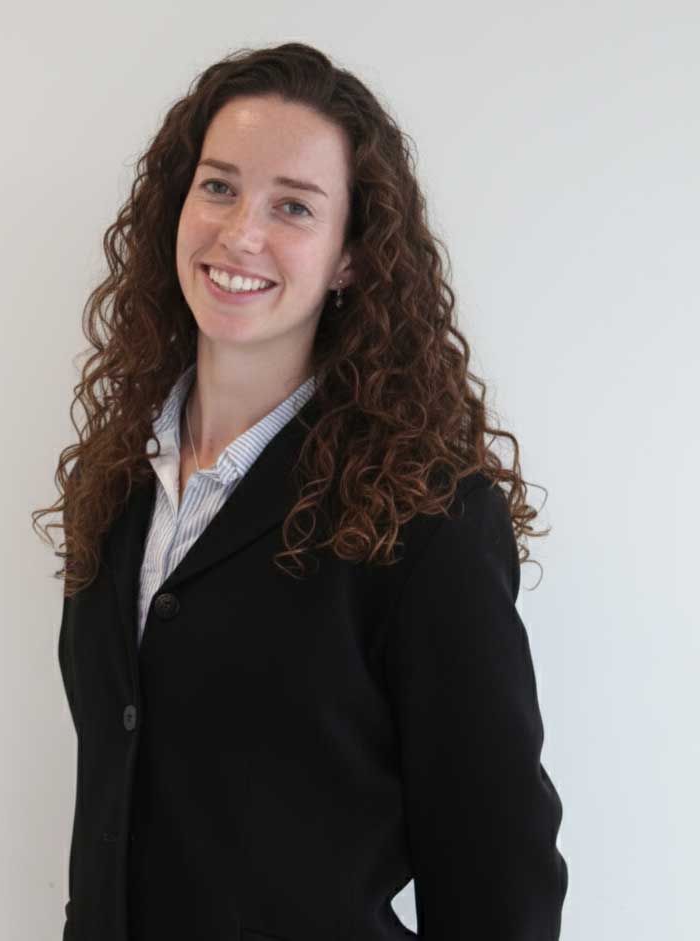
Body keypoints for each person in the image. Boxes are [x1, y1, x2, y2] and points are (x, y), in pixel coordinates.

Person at [32, 41, 568, 941]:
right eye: (219, 186)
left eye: (294, 206)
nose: (241, 233)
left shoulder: (428, 514)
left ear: (351, 258)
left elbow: (497, 866)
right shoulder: (121, 480)